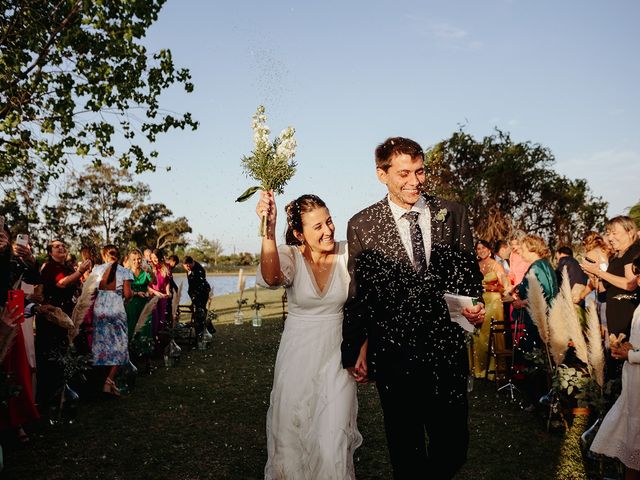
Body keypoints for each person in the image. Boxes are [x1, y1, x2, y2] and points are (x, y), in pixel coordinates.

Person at [341, 137, 484, 479]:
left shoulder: (453, 213)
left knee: (453, 447)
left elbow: (468, 279)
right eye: (404, 173)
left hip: (445, 353)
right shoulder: (362, 224)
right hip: (394, 356)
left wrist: (472, 308)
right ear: (382, 174)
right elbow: (361, 294)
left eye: (419, 172)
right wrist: (356, 347)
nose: (415, 181)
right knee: (406, 453)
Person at [256, 191, 362, 479]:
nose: (328, 230)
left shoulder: (347, 252)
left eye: (329, 221)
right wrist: (268, 229)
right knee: (292, 440)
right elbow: (272, 277)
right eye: (317, 227)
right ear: (298, 234)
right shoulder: (289, 255)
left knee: (332, 443)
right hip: (297, 358)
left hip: (338, 358)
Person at [590, 255, 640, 480]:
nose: (638, 279)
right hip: (633, 383)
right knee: (633, 439)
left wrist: (629, 354)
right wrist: (629, 346)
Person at [36, 239, 91, 409]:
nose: (61, 248)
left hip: (67, 316)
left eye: (63, 245)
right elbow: (62, 283)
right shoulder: (49, 267)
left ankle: (65, 390)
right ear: (50, 252)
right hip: (52, 317)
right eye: (56, 246)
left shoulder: (67, 267)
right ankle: (49, 396)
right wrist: (80, 271)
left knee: (64, 351)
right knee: (51, 355)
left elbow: (75, 285)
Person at [512, 234, 558, 407]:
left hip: (538, 320)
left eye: (523, 249)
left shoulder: (537, 267)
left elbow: (542, 295)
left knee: (535, 358)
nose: (521, 252)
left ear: (532, 249)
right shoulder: (543, 265)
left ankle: (536, 400)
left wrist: (520, 302)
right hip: (541, 319)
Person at [90, 245, 133, 396]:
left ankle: (98, 382)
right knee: (120, 346)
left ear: (103, 256)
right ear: (119, 256)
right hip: (116, 310)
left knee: (101, 345)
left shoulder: (96, 270)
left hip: (100, 309)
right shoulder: (125, 271)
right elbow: (127, 295)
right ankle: (108, 382)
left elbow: (90, 290)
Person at [472, 239, 508, 379]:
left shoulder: (496, 265)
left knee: (489, 333)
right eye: (478, 249)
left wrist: (488, 287)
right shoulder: (475, 265)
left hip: (493, 301)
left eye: (483, 248)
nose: (481, 251)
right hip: (479, 301)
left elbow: (503, 286)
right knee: (478, 333)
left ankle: (495, 368)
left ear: (489, 249)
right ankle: (480, 367)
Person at [123, 249, 154, 362]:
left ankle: (146, 356)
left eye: (139, 259)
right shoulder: (126, 273)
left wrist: (150, 272)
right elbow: (124, 291)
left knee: (145, 328)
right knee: (131, 328)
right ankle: (132, 355)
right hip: (131, 305)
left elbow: (153, 282)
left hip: (144, 305)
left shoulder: (145, 271)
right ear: (130, 260)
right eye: (134, 259)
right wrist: (136, 293)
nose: (137, 261)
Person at [182, 256, 213, 337]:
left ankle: (201, 332)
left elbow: (198, 285)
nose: (187, 267)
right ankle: (208, 329)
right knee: (201, 311)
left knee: (200, 311)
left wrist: (194, 298)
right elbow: (191, 284)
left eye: (189, 265)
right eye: (185, 266)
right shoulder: (189, 268)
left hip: (202, 292)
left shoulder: (199, 270)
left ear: (192, 262)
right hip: (194, 292)